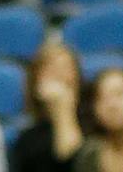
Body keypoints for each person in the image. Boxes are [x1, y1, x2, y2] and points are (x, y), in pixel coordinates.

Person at [16, 42, 85, 172]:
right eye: (50, 69)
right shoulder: (27, 140)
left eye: (66, 67)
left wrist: (64, 110)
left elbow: (75, 161)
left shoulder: (94, 124)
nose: (59, 75)